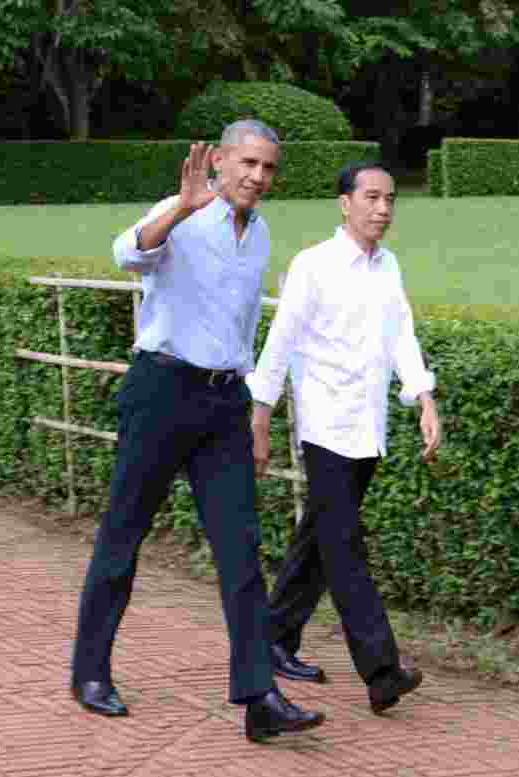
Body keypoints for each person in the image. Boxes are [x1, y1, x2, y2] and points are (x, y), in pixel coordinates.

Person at [70, 119, 325, 743]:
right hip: (161, 392)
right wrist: (179, 210)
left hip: (223, 407)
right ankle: (89, 671)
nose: (257, 177)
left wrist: (253, 409)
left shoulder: (260, 234)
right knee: (122, 538)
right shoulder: (184, 210)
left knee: (241, 552)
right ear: (220, 161)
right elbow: (127, 252)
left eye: (268, 168)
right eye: (248, 163)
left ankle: (259, 695)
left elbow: (238, 332)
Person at [246, 160, 443, 715]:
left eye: (390, 200)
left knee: (317, 540)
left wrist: (423, 398)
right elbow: (279, 344)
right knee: (343, 548)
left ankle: (275, 637)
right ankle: (382, 672)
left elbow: (402, 333)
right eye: (372, 198)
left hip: (368, 428)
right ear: (345, 203)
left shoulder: (388, 266)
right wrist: (260, 416)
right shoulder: (315, 266)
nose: (383, 209)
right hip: (327, 429)